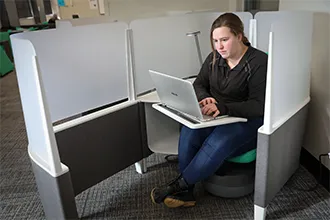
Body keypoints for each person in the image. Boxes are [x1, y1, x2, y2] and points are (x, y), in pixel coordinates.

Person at [150, 12, 268, 208]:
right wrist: (205, 98)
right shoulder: (214, 58)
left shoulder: (258, 62)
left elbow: (258, 105)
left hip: (247, 119)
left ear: (239, 36)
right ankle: (187, 192)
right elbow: (199, 85)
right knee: (189, 131)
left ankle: (177, 186)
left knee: (219, 140)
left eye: (224, 40)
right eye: (215, 41)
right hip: (217, 116)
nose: (219, 46)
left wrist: (223, 107)